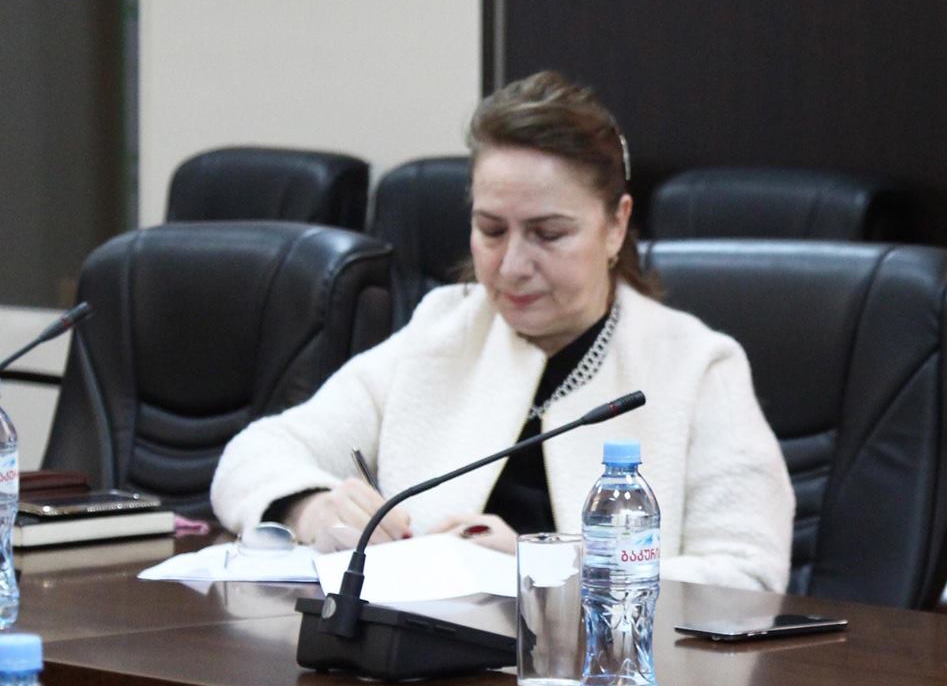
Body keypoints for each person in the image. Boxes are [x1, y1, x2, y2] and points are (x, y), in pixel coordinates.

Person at [212, 71, 794, 590]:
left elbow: (749, 577)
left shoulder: (697, 365)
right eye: (491, 230)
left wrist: (551, 569)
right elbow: (252, 457)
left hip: (614, 673)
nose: (512, 265)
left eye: (548, 234)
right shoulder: (443, 327)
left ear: (616, 226)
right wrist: (311, 507)